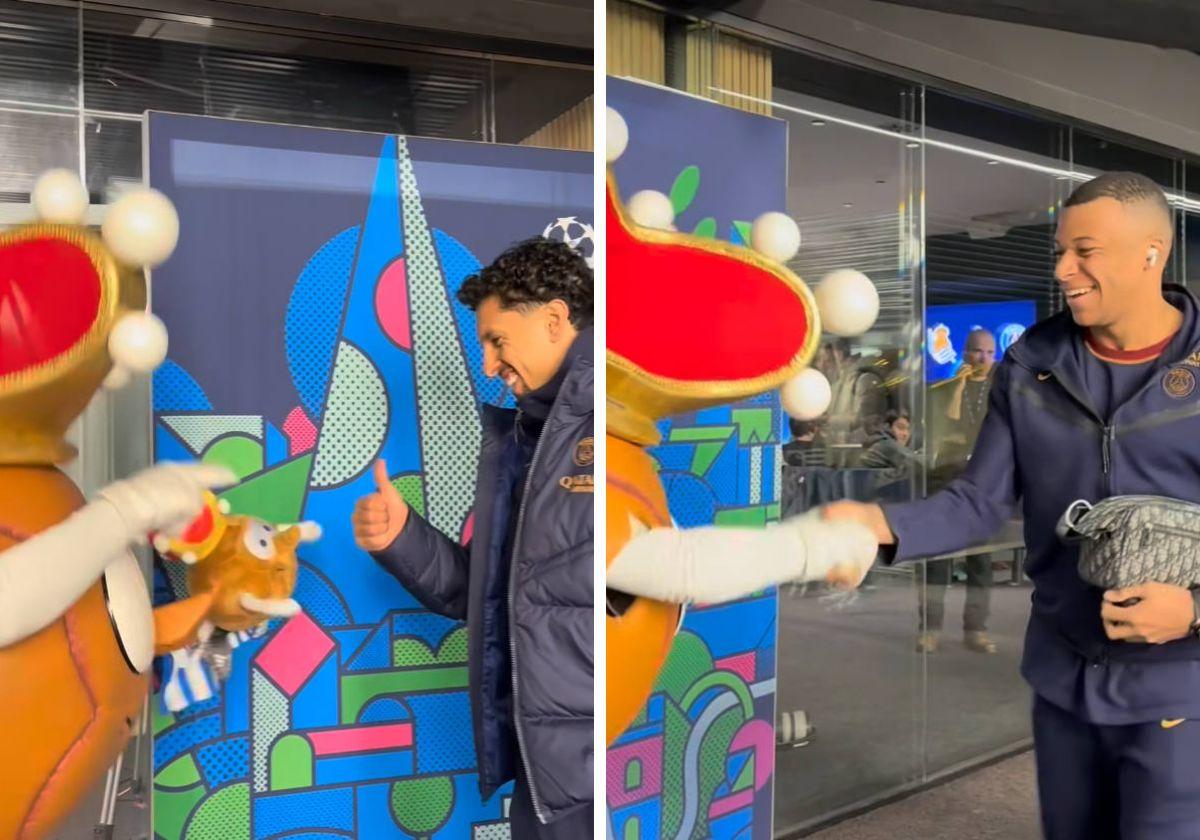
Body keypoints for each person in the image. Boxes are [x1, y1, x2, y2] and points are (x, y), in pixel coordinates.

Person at [824, 172, 1200, 839]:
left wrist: (1194, 610)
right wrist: (883, 526)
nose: (1063, 270)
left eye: (1085, 251)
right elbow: (980, 500)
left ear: (1152, 252)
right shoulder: (1032, 363)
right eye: (1060, 250)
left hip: (1181, 690)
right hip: (1063, 682)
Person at [351, 238, 592, 838]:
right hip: (543, 768)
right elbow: (494, 598)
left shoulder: (616, 422)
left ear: (555, 320)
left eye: (496, 341)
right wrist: (403, 537)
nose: (487, 365)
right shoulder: (521, 439)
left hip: (586, 767)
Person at [918, 329, 1000, 655]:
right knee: (937, 558)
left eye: (989, 352)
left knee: (980, 560)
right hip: (945, 478)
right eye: (977, 351)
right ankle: (930, 628)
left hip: (984, 483)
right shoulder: (944, 390)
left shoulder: (1000, 392)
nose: (982, 358)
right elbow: (933, 432)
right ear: (964, 353)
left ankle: (976, 629)